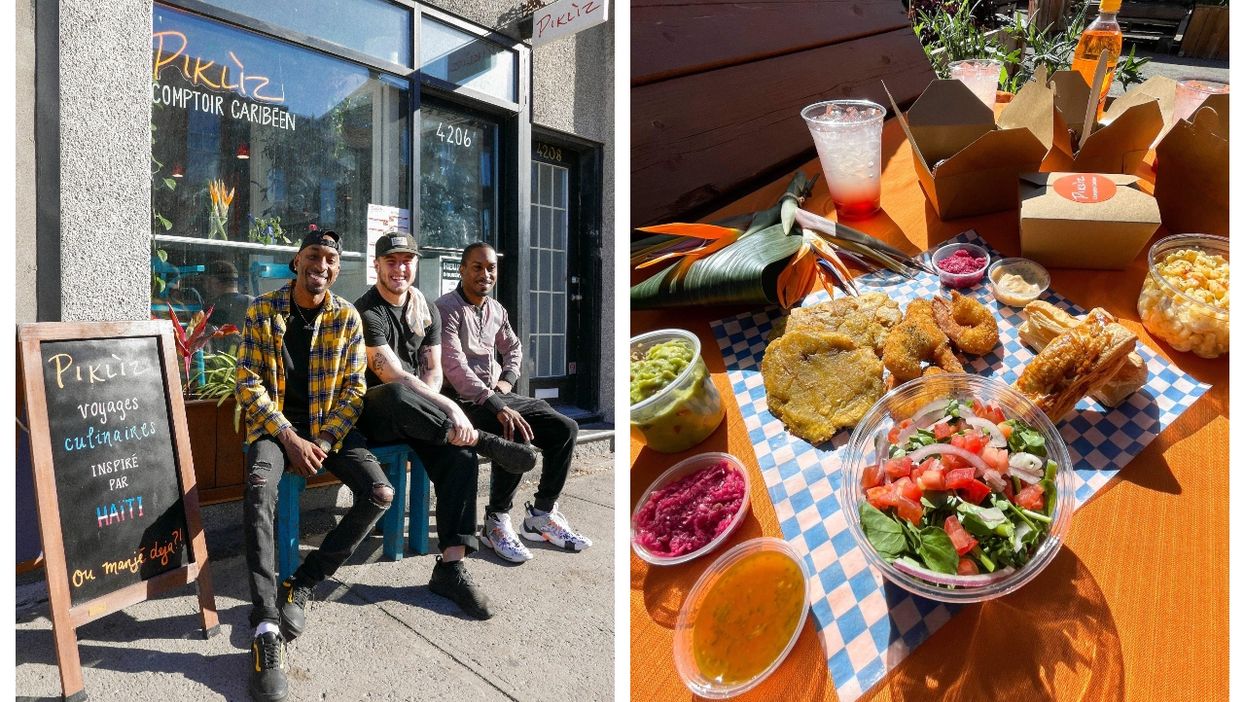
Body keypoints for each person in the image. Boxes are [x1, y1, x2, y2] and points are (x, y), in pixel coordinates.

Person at [235, 230, 391, 702]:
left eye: (329, 259)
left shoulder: (347, 318)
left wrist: (322, 439)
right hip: (275, 429)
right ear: (296, 262)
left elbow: (355, 391)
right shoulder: (263, 309)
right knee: (260, 487)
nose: (320, 265)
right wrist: (289, 436)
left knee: (380, 494)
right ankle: (265, 624)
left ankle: (302, 583)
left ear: (337, 268)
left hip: (328, 431)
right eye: (312, 257)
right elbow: (247, 381)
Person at [354, 232, 540, 619]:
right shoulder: (367, 311)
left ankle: (450, 568)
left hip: (422, 419)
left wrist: (438, 406)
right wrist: (450, 410)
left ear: (415, 264)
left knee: (461, 459)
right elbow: (390, 373)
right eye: (391, 261)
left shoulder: (426, 309)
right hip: (376, 414)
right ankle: (485, 440)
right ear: (377, 266)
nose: (399, 268)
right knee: (398, 393)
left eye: (407, 261)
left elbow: (434, 370)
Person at [435, 242, 591, 564]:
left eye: (490, 268)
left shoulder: (496, 310)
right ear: (462, 270)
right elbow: (454, 366)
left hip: (496, 394)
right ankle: (496, 521)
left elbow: (514, 349)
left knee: (564, 428)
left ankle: (541, 514)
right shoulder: (446, 309)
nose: (485, 274)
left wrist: (506, 380)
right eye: (477, 267)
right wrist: (495, 402)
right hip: (460, 402)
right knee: (514, 429)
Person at [202, 260, 252, 333]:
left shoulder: (211, 309)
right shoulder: (254, 303)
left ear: (213, 281)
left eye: (205, 281)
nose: (204, 287)